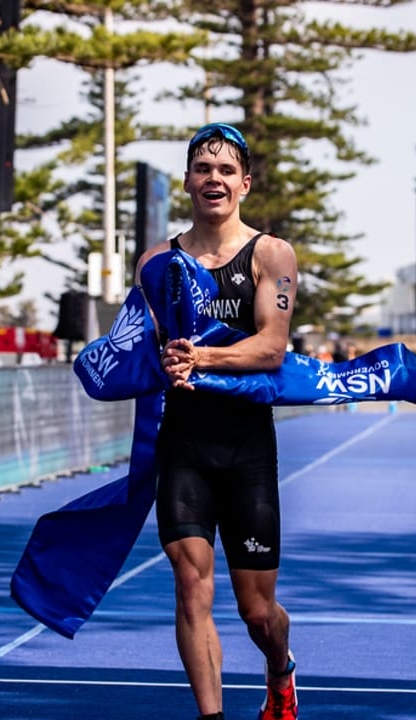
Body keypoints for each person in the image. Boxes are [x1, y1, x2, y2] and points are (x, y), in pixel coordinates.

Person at [134, 122, 300, 720]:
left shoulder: (271, 255)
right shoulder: (156, 263)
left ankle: (279, 669)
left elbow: (272, 349)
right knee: (190, 582)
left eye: (227, 170)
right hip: (183, 443)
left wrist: (200, 356)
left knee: (258, 612)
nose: (215, 179)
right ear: (187, 182)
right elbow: (139, 351)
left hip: (247, 447)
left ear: (245, 184)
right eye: (204, 169)